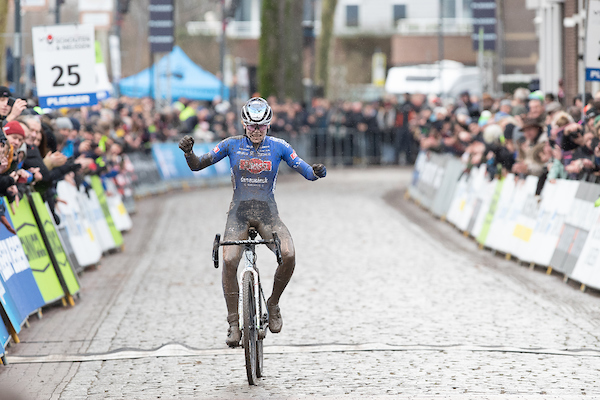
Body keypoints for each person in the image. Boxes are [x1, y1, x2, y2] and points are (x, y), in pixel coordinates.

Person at [178, 97, 327, 347]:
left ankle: (273, 304)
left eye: (261, 127)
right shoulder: (230, 145)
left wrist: (317, 172)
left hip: (268, 214)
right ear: (244, 125)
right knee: (228, 260)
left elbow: (305, 170)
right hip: (238, 213)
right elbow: (197, 165)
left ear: (268, 125)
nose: (256, 131)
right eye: (251, 126)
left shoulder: (279, 146)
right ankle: (234, 323)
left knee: (289, 254)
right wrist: (188, 152)